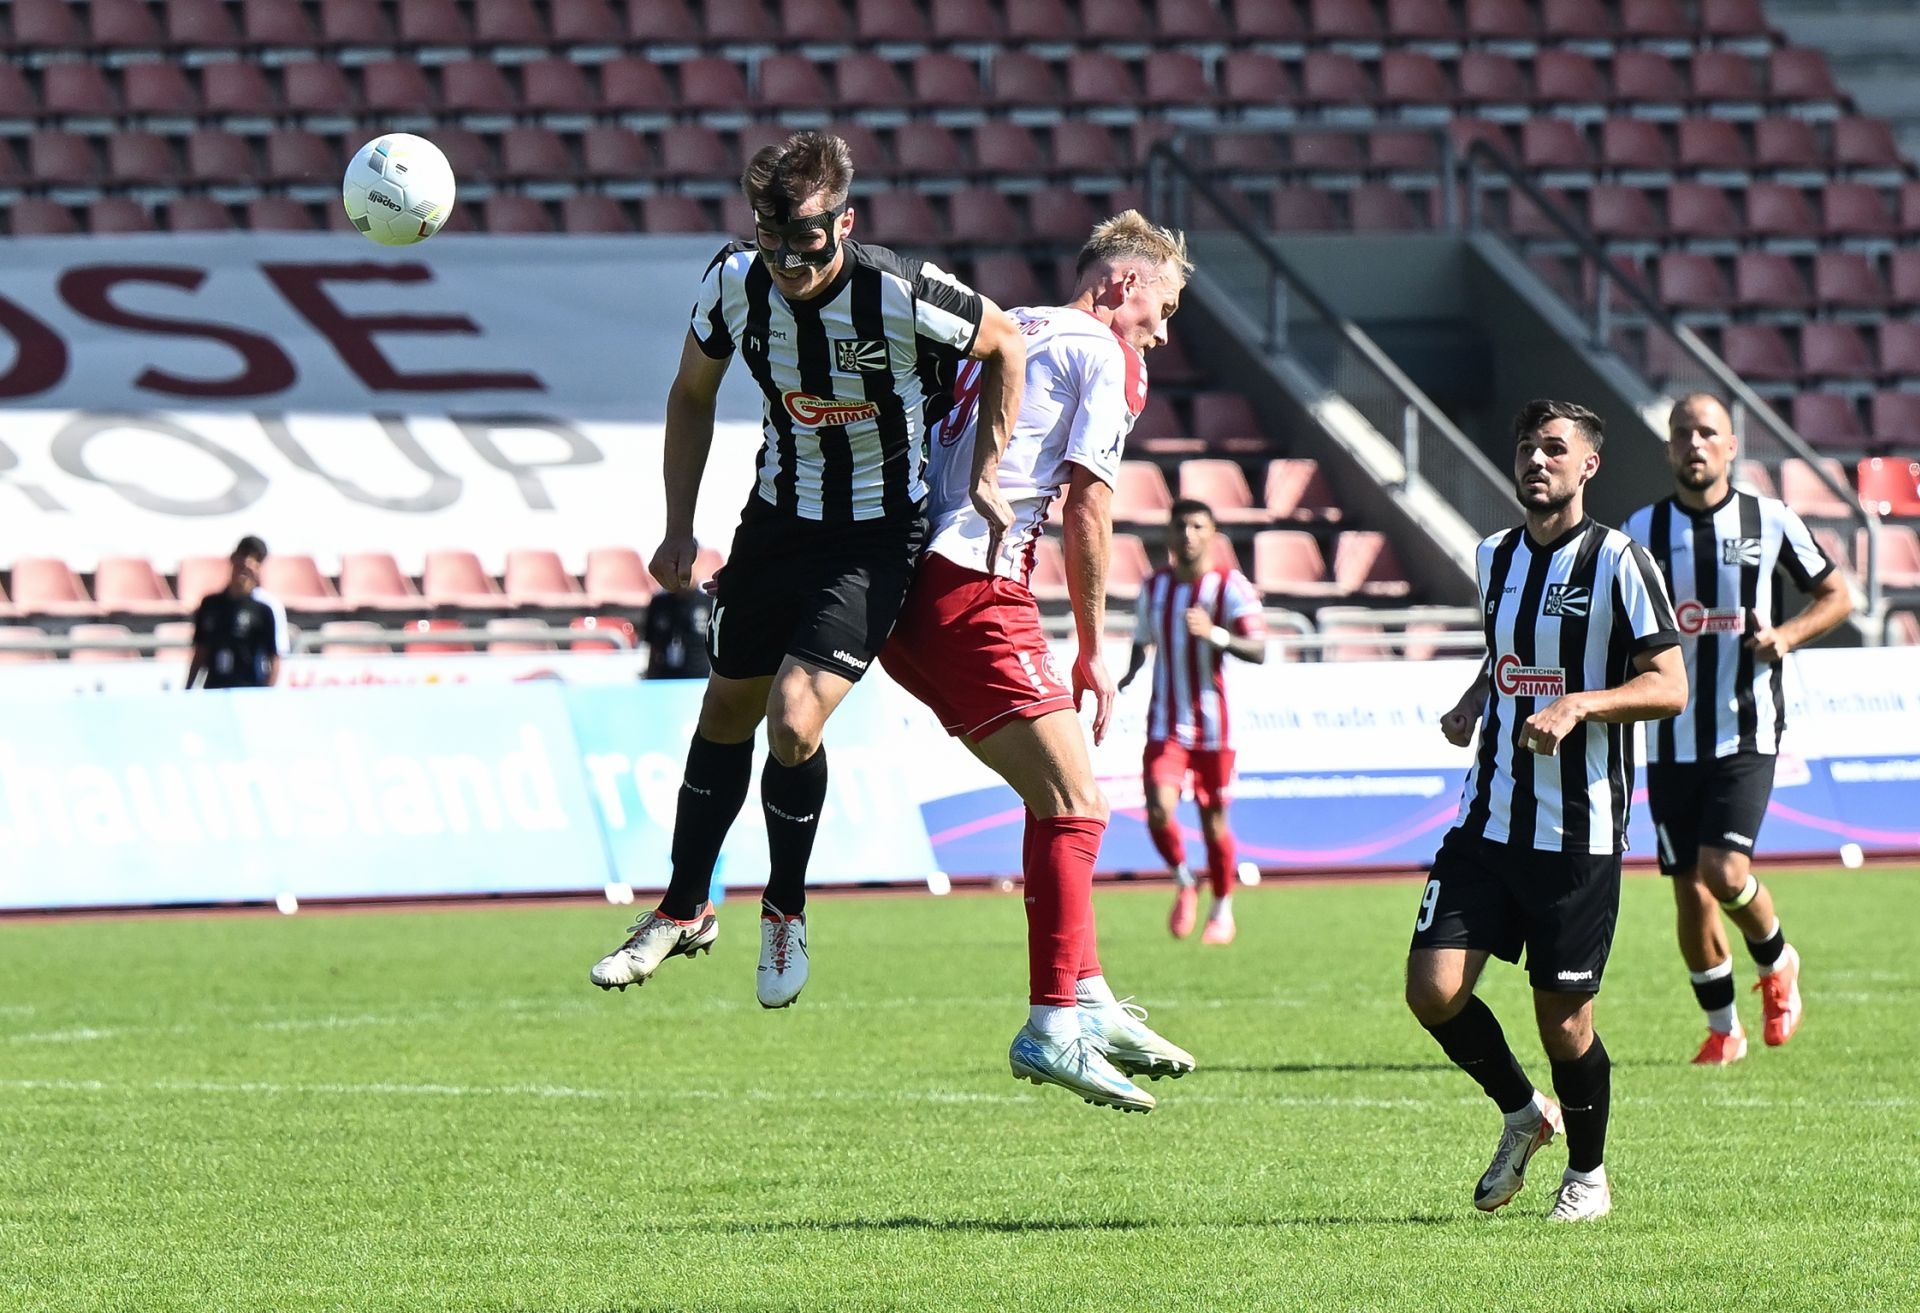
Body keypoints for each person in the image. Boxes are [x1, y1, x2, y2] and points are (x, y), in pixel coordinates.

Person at [587, 130, 1026, 1009]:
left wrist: (986, 469)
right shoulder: (733, 280)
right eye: (772, 239)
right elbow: (691, 393)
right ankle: (681, 908)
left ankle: (783, 907)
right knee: (725, 709)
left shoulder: (901, 292)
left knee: (792, 719)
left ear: (845, 223)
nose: (788, 261)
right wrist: (678, 526)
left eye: (807, 241)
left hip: (873, 538)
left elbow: (1006, 343)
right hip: (777, 523)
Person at [882, 211, 1196, 1114]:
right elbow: (1088, 505)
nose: (1162, 333)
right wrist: (1094, 648)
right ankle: (1053, 1019)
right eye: (1165, 308)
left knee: (1055, 792)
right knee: (1078, 802)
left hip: (908, 596)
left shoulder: (1007, 324)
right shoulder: (1105, 350)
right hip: (974, 583)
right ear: (1124, 284)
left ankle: (1084, 992)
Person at [1406, 399, 1687, 1223]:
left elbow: (1670, 685)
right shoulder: (1492, 555)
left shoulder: (1621, 563)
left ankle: (1588, 1176)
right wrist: (1474, 700)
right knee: (1432, 990)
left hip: (1578, 832)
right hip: (1486, 821)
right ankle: (1524, 1111)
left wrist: (1580, 706)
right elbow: (1505, 652)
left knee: (1564, 1024)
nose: (1537, 459)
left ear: (1588, 465)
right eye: (1527, 446)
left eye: (1555, 448)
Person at [1623, 394, 1852, 1065]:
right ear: (1669, 448)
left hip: (1746, 730)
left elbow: (1837, 595)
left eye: (1707, 432)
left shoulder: (1769, 519)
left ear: (1731, 445)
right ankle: (1724, 1029)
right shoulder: (1641, 529)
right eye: (1682, 433)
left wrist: (1786, 635)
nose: (1694, 443)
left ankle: (1778, 958)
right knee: (1689, 893)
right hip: (1669, 737)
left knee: (1724, 871)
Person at [1117, 499, 1268, 945]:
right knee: (1158, 809)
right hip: (1166, 723)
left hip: (1214, 728)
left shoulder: (1229, 586)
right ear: (1169, 533)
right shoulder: (1154, 587)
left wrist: (1215, 633)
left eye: (1198, 526)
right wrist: (1126, 674)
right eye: (1180, 525)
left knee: (1213, 823)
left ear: (1213, 533)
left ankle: (1222, 910)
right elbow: (1142, 640)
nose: (1188, 534)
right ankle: (1185, 879)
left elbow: (1258, 649)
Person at [187, 535, 287, 690]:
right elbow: (201, 651)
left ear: (259, 567)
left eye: (254, 560)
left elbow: (274, 657)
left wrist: (266, 695)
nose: (246, 564)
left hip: (249, 690)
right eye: (243, 556)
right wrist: (188, 688)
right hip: (215, 689)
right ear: (233, 558)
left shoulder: (265, 609)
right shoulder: (210, 605)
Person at [643, 582, 714, 680]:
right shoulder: (659, 603)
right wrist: (650, 676)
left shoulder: (708, 601)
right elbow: (653, 646)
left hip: (701, 677)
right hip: (666, 678)